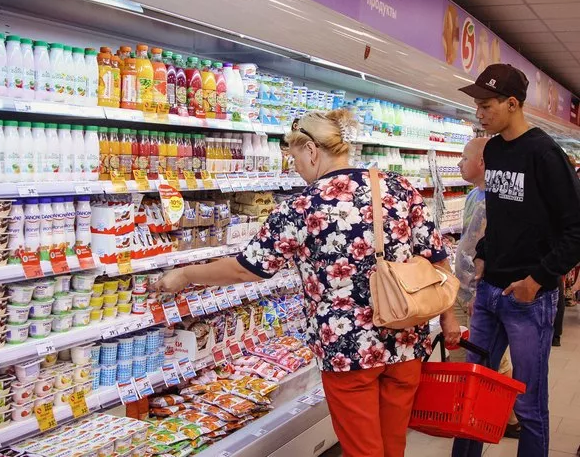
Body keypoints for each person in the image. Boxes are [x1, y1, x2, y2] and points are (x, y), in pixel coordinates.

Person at [154, 108, 462, 457]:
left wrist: (186, 274)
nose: (295, 166)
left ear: (312, 150)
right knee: (393, 446)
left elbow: (246, 269)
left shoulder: (302, 206)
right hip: (406, 337)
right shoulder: (398, 187)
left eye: (295, 157)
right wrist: (448, 317)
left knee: (363, 451)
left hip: (347, 349)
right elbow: (437, 259)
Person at [453, 63, 580, 457]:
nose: (479, 113)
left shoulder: (545, 154)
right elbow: (500, 217)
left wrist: (537, 279)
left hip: (529, 299)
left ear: (512, 103)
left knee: (528, 404)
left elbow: (576, 229)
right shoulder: (492, 150)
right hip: (489, 294)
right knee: (472, 394)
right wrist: (482, 261)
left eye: (486, 105)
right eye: (477, 105)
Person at [452, 136, 520, 438]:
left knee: (494, 357)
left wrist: (480, 292)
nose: (459, 163)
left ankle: (509, 418)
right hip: (460, 287)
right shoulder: (472, 196)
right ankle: (465, 412)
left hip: (480, 292)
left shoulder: (498, 199)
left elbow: (496, 249)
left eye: (464, 158)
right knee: (462, 354)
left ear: (481, 162)